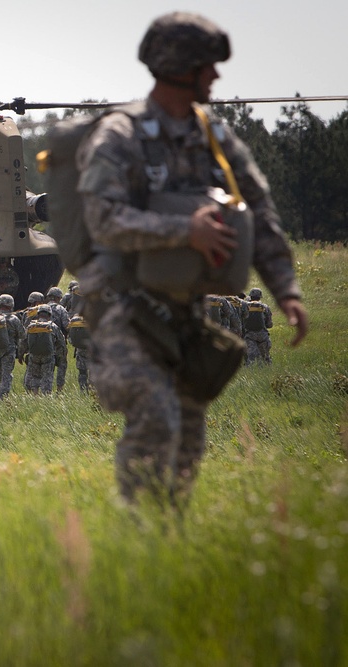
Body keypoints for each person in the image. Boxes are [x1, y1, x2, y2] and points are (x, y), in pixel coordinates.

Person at [76, 12, 308, 509]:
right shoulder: (120, 136)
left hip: (184, 312)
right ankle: (140, 530)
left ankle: (167, 532)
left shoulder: (214, 138)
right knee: (156, 415)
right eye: (207, 66)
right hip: (122, 308)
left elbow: (259, 211)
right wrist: (187, 230)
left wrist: (285, 288)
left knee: (189, 429)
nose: (216, 77)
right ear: (179, 67)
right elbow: (104, 220)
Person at [22, 304, 66, 395]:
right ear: (49, 315)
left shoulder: (31, 326)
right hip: (48, 356)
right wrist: (62, 355)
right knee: (47, 377)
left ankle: (35, 395)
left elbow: (23, 341)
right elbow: (61, 341)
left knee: (35, 376)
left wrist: (20, 354)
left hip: (33, 356)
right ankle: (46, 396)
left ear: (38, 314)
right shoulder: (52, 326)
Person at [45, 287, 71, 391]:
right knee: (62, 366)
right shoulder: (61, 309)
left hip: (46, 343)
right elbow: (66, 326)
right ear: (58, 298)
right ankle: (59, 389)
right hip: (59, 344)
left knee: (47, 368)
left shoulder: (42, 309)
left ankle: (46, 390)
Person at [242, 287, 273, 364]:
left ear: (250, 296)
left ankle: (250, 373)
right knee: (265, 357)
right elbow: (269, 325)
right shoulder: (264, 307)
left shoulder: (245, 306)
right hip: (263, 335)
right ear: (260, 297)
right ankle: (266, 370)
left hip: (249, 335)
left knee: (251, 358)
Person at [67, 314, 92, 391]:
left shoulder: (75, 319)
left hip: (80, 350)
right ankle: (93, 391)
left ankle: (83, 390)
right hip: (92, 350)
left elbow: (70, 338)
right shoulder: (95, 316)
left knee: (82, 373)